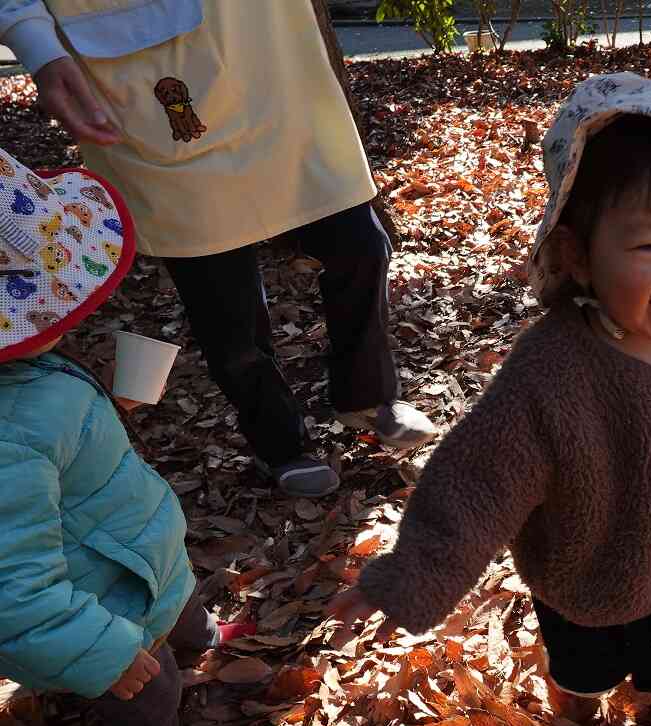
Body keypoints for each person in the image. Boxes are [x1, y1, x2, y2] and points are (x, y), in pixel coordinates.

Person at [329, 73, 651, 724]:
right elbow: (477, 482)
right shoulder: (551, 372)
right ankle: (576, 708)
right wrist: (409, 576)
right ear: (578, 255)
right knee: (585, 669)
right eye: (650, 245)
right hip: (591, 578)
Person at [0, 0, 436, 498]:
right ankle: (279, 442)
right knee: (223, 301)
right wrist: (34, 42)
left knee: (360, 242)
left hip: (269, 51)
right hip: (144, 64)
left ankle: (367, 394)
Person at [0, 150, 245, 726]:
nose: (74, 311)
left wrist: (107, 408)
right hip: (103, 601)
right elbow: (13, 589)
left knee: (181, 593)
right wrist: (102, 652)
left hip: (132, 548)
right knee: (152, 691)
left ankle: (202, 636)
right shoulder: (5, 438)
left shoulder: (28, 374)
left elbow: (54, 437)